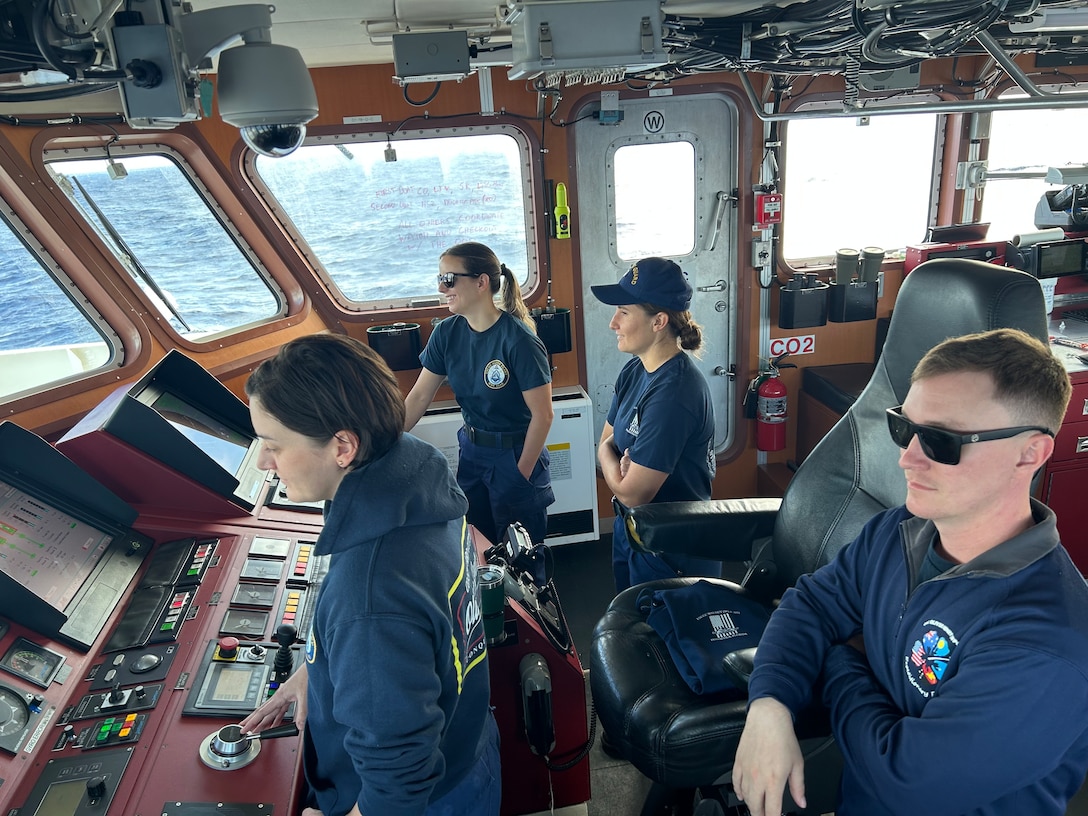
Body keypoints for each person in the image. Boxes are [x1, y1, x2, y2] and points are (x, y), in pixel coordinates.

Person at [732, 328, 1088, 816]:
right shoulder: (901, 529)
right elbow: (812, 603)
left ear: (1030, 453)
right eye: (904, 428)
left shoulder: (1046, 641)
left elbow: (905, 782)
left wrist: (840, 660)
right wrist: (769, 705)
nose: (907, 458)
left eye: (941, 440)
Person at [238, 334, 499, 816]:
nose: (263, 463)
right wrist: (322, 671)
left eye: (274, 445)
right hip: (470, 745)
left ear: (342, 446)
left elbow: (399, 784)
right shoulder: (414, 472)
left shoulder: (369, 599)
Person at [404, 241, 554, 549]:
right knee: (476, 545)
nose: (442, 287)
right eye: (439, 279)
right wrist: (382, 442)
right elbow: (419, 397)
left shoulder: (519, 341)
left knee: (522, 554)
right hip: (472, 452)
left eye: (449, 279)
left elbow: (543, 415)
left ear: (481, 282)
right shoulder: (446, 333)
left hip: (514, 454)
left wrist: (519, 475)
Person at [591, 257, 717, 593]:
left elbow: (633, 491)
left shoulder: (675, 392)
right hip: (632, 528)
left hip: (671, 545)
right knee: (631, 626)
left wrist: (610, 456)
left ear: (659, 321)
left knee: (662, 638)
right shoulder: (634, 371)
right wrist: (610, 455)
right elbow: (605, 444)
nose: (612, 323)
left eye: (624, 312)